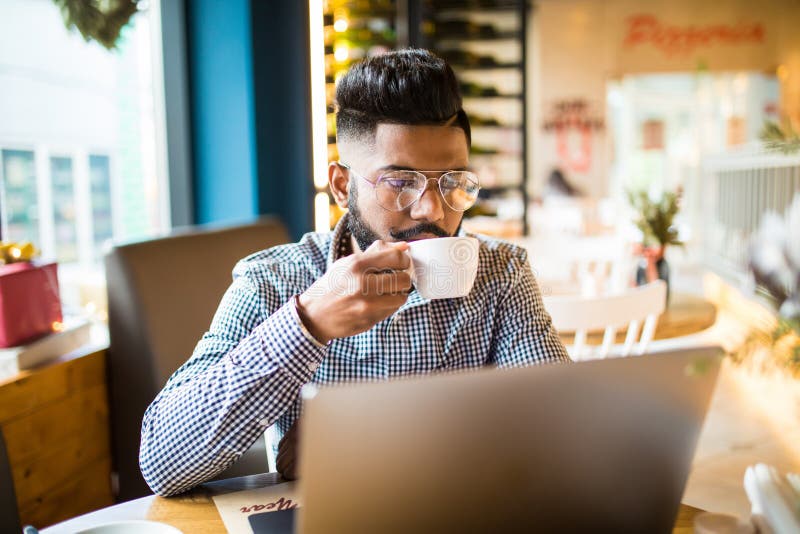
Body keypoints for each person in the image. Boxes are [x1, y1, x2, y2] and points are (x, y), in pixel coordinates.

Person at [139, 49, 570, 497]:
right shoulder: (275, 281)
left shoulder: (501, 273)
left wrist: (369, 438)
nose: (433, 209)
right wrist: (306, 323)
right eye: (401, 184)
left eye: (452, 182)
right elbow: (162, 462)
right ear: (343, 186)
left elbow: (564, 435)